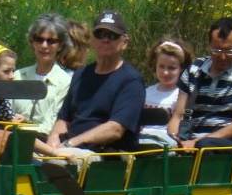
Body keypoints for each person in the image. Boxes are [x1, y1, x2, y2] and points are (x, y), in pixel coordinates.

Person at [46, 10, 145, 155]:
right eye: (100, 34)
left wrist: (70, 144)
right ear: (92, 40)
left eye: (112, 35)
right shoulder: (81, 74)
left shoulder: (131, 80)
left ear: (124, 42)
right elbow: (64, 119)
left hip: (106, 154)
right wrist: (53, 139)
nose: (105, 40)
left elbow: (115, 129)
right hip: (71, 148)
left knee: (54, 163)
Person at [167, 17, 232, 149]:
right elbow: (178, 116)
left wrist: (196, 144)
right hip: (191, 143)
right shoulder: (194, 70)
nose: (223, 57)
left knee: (206, 145)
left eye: (230, 51)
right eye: (217, 50)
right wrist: (175, 142)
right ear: (209, 45)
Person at [11, 13, 72, 136]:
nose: (44, 45)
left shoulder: (66, 82)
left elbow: (52, 125)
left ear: (60, 46)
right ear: (32, 42)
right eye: (39, 39)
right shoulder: (17, 76)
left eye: (51, 41)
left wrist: (26, 125)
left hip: (44, 146)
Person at [139, 38, 194, 147]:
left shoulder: (182, 95)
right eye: (161, 66)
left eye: (171, 68)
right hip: (142, 138)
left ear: (181, 69)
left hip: (166, 141)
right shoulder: (146, 92)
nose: (165, 72)